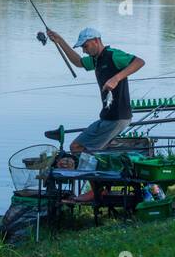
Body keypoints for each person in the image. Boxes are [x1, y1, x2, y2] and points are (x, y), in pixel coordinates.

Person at [45, 27, 145, 162]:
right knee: (76, 147)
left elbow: (139, 62)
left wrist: (116, 78)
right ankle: (97, 172)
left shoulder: (112, 55)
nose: (84, 50)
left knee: (83, 150)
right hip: (107, 117)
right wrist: (59, 40)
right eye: (82, 47)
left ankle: (99, 173)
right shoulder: (96, 59)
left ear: (96, 41)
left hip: (117, 117)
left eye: (85, 46)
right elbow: (78, 62)